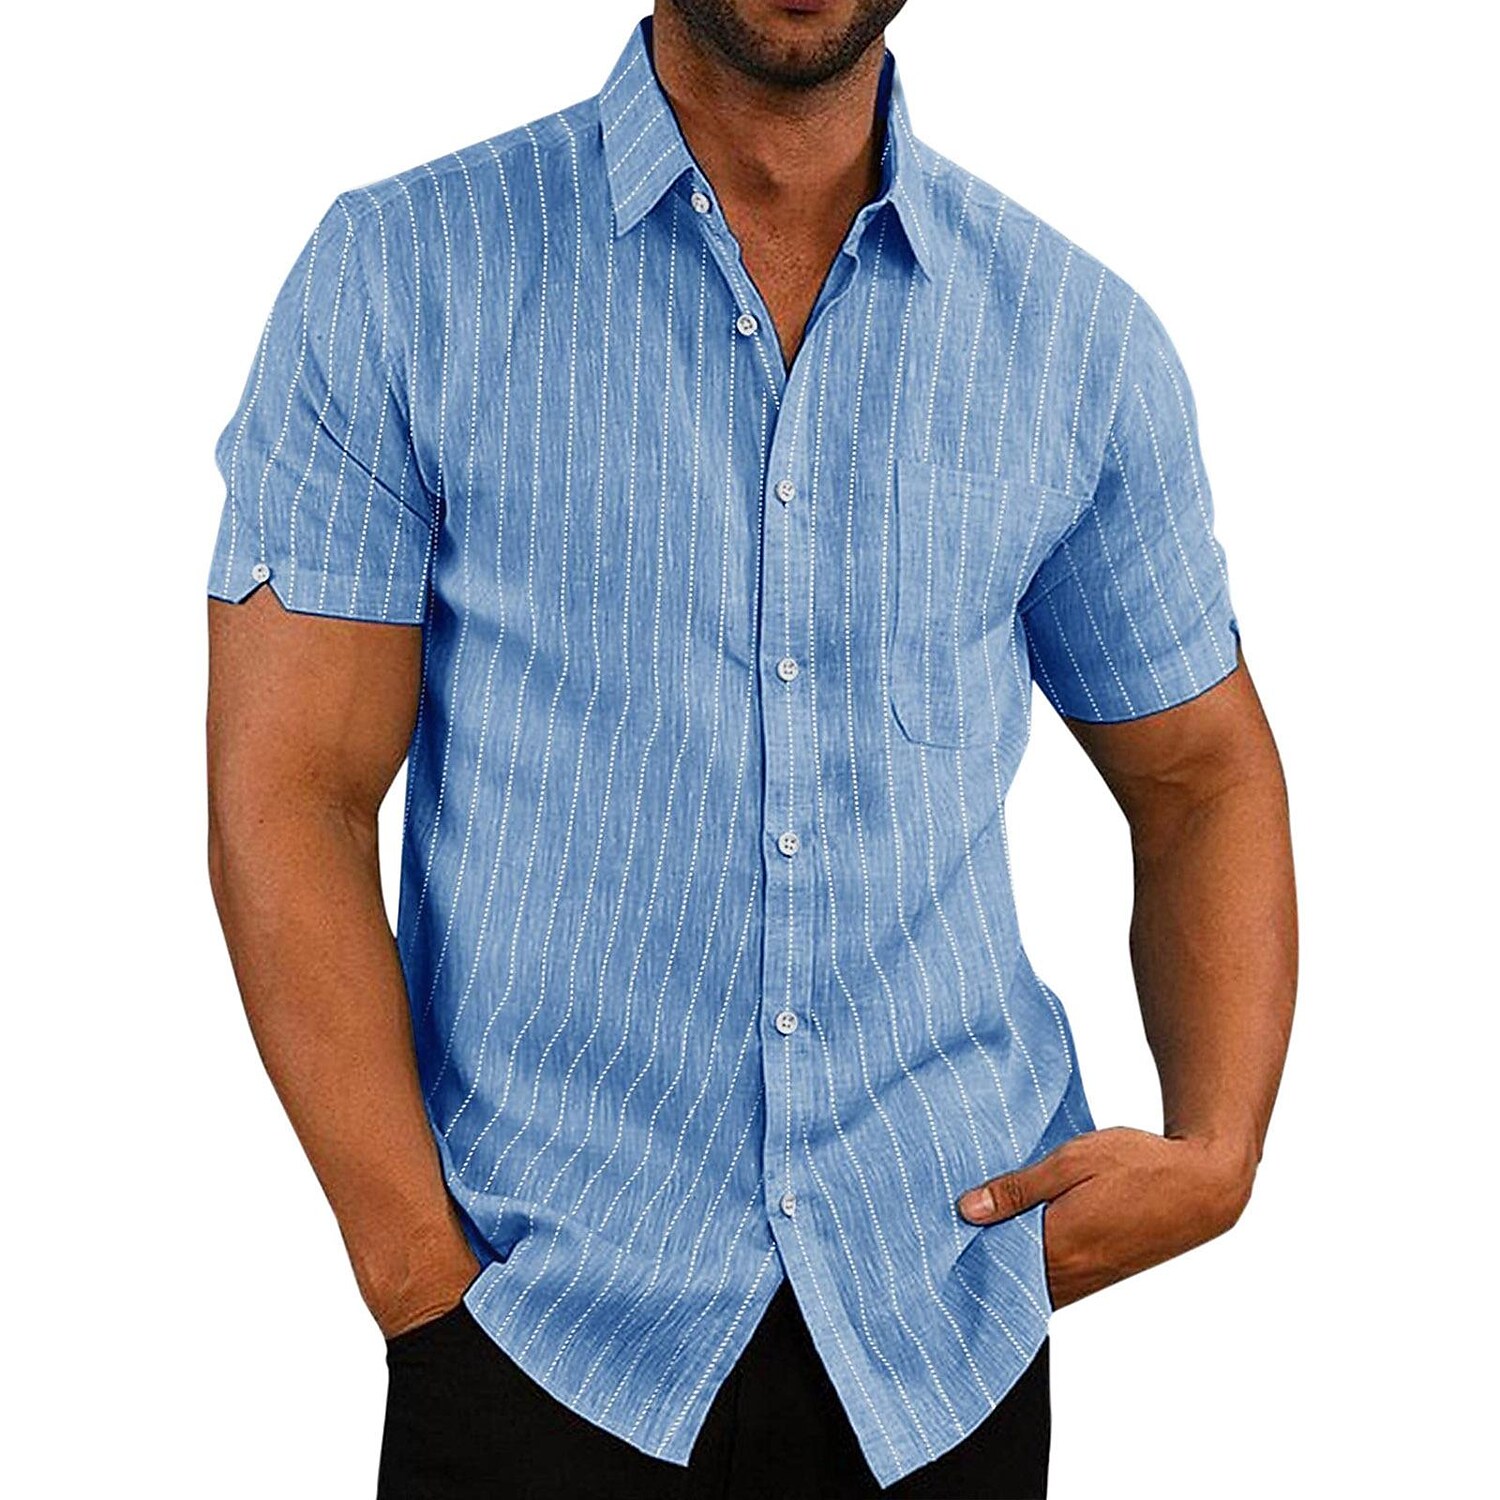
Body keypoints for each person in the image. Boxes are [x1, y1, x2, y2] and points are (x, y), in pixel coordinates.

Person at [204, 2, 1297, 1495]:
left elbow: (1198, 774)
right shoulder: (407, 273)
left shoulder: (1075, 340)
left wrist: (1218, 1151)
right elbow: (292, 792)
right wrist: (416, 1279)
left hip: (941, 1348)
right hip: (536, 1338)